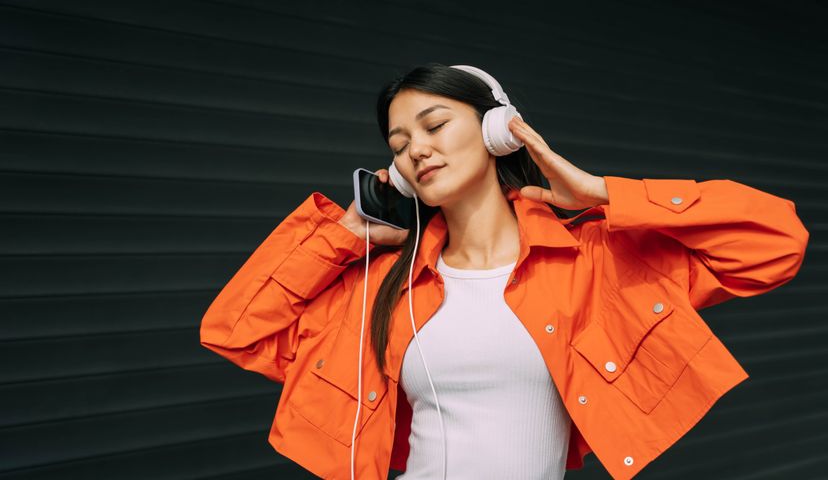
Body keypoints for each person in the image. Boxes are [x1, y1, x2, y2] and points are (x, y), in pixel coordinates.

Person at [200, 63, 809, 480]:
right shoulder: (384, 289)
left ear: (497, 130)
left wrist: (599, 193)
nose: (416, 148)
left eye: (435, 125)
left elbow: (775, 243)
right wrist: (348, 234)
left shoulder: (593, 263)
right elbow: (234, 331)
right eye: (399, 141)